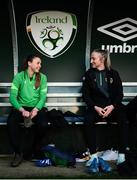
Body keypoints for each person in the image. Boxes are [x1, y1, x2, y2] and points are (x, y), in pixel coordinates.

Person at [82, 49, 129, 165]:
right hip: (96, 108)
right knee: (88, 120)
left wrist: (112, 106)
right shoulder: (88, 74)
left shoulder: (114, 73)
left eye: (94, 58)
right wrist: (95, 107)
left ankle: (121, 155)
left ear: (102, 59)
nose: (91, 61)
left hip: (112, 108)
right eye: (91, 58)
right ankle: (93, 156)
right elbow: (85, 95)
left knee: (123, 119)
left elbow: (120, 94)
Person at [7, 54, 49, 167]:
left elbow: (43, 97)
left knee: (44, 125)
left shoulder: (43, 77)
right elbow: (12, 97)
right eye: (37, 63)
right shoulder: (19, 77)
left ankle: (34, 149)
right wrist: (21, 110)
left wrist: (36, 109)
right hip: (21, 107)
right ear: (29, 63)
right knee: (11, 123)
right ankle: (19, 153)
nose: (40, 65)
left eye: (40, 63)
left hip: (36, 107)